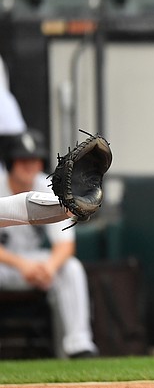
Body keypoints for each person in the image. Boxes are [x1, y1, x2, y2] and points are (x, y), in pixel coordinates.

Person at [0, 129, 98, 358]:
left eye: (33, 160)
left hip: (34, 262)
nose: (29, 166)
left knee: (70, 268)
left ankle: (79, 346)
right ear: (10, 162)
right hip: (6, 263)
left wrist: (49, 268)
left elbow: (65, 245)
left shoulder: (48, 185)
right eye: (22, 160)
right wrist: (20, 264)